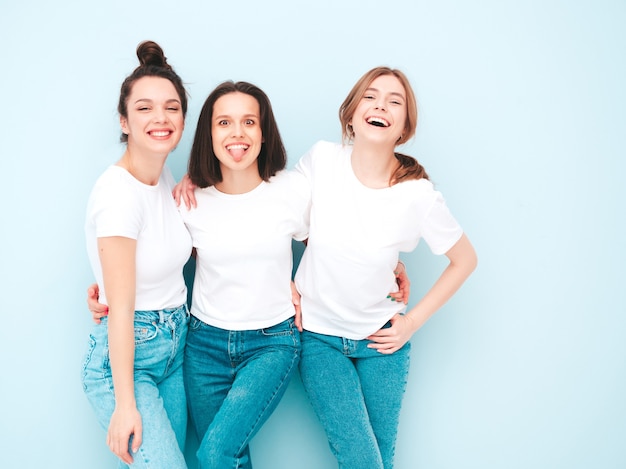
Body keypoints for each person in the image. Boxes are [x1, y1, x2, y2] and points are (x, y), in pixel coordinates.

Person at [294, 67, 478, 469]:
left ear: (404, 128)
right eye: (371, 96)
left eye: (394, 101)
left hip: (382, 345)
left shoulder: (417, 195)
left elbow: (465, 260)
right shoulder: (322, 160)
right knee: (363, 460)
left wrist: (411, 323)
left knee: (380, 461)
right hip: (320, 340)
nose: (381, 105)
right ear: (351, 114)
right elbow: (290, 224)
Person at [81, 40, 191, 468]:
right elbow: (122, 310)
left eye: (171, 107)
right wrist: (125, 404)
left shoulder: (163, 175)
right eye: (144, 108)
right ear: (124, 122)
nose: (160, 118)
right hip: (128, 361)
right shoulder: (117, 194)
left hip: (173, 345)